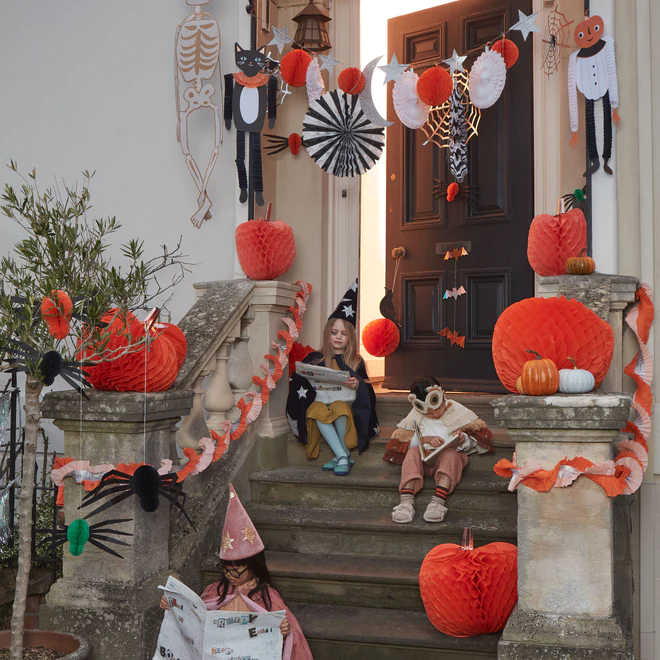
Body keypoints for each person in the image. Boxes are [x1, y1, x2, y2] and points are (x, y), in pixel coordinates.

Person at [160, 484, 313, 660]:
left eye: (236, 570)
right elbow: (195, 622)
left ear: (254, 567)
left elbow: (285, 637)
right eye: (225, 569)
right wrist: (174, 606)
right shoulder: (214, 590)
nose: (229, 575)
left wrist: (284, 631)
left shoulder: (267, 597)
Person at [286, 280, 379, 476]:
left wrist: (357, 384)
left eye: (344, 334)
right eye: (334, 332)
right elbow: (300, 383)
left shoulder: (356, 361)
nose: (338, 337)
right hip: (321, 402)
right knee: (316, 409)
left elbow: (368, 393)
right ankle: (343, 455)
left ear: (350, 338)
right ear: (327, 334)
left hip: (347, 408)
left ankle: (340, 456)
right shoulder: (316, 358)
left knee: (339, 407)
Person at [385, 377, 493, 524]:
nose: (435, 414)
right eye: (429, 413)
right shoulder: (415, 415)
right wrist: (425, 440)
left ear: (443, 396)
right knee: (412, 452)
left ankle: (438, 502)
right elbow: (404, 444)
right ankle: (406, 502)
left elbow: (475, 441)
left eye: (438, 409)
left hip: (448, 462)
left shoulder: (456, 410)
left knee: (451, 454)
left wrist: (462, 439)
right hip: (424, 461)